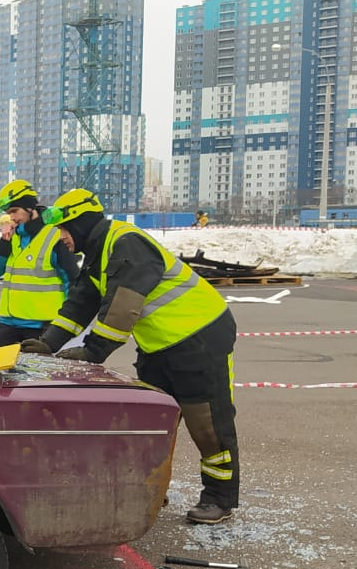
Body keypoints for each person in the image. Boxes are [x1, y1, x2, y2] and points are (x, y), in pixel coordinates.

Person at [19, 189, 240, 525]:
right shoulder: (97, 253)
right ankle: (150, 490)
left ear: (79, 224)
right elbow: (81, 302)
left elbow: (122, 307)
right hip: (159, 346)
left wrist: (92, 352)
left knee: (207, 424)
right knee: (150, 421)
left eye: (64, 229)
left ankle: (219, 498)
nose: (61, 237)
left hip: (199, 338)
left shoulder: (126, 244)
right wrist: (48, 343)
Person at [0, 180, 80, 347]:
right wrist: (4, 240)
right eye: (9, 213)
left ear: (30, 208)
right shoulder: (13, 236)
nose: (12, 217)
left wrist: (65, 325)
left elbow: (72, 281)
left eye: (15, 211)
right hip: (8, 324)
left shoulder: (54, 235)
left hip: (41, 326)